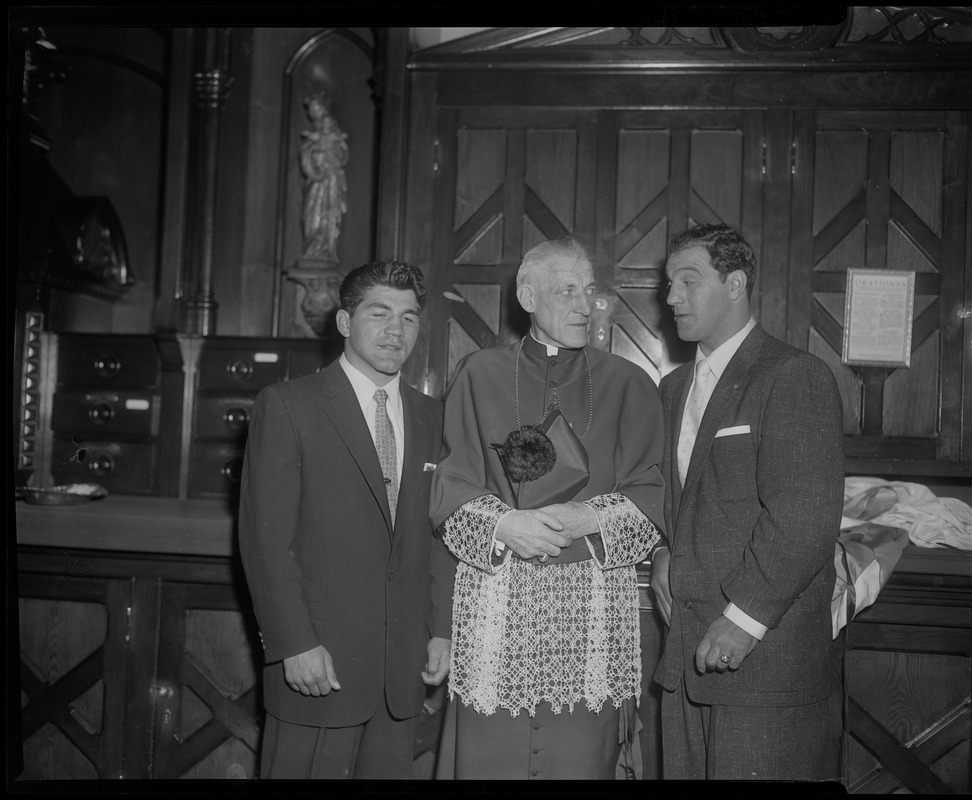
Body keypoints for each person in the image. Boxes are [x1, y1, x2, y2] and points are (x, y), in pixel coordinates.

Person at [429, 236, 665, 780]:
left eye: (590, 291)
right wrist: (504, 523)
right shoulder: (479, 373)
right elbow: (449, 485)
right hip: (496, 608)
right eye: (568, 291)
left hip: (587, 614)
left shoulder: (629, 384)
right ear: (527, 295)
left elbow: (654, 496)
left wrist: (594, 518)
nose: (585, 305)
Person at [238, 260, 455, 779]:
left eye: (408, 317)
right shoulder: (289, 405)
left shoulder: (432, 416)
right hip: (319, 668)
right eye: (379, 313)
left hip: (400, 674)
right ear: (343, 322)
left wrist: (441, 630)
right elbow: (264, 541)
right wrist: (294, 643)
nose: (394, 330)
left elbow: (439, 534)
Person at [652, 223, 844, 781]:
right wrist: (663, 552)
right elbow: (675, 502)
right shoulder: (671, 390)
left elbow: (804, 520)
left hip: (764, 667)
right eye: (669, 283)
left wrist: (742, 620)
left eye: (688, 281)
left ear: (735, 284)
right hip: (684, 661)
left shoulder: (792, 375)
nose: (671, 298)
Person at [300, 96, 348, 261]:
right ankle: (313, 249)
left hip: (330, 181)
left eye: (316, 108)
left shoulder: (332, 131)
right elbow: (306, 155)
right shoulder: (314, 133)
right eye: (311, 110)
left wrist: (328, 155)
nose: (313, 113)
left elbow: (342, 154)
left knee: (328, 213)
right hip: (316, 180)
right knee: (311, 216)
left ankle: (326, 250)